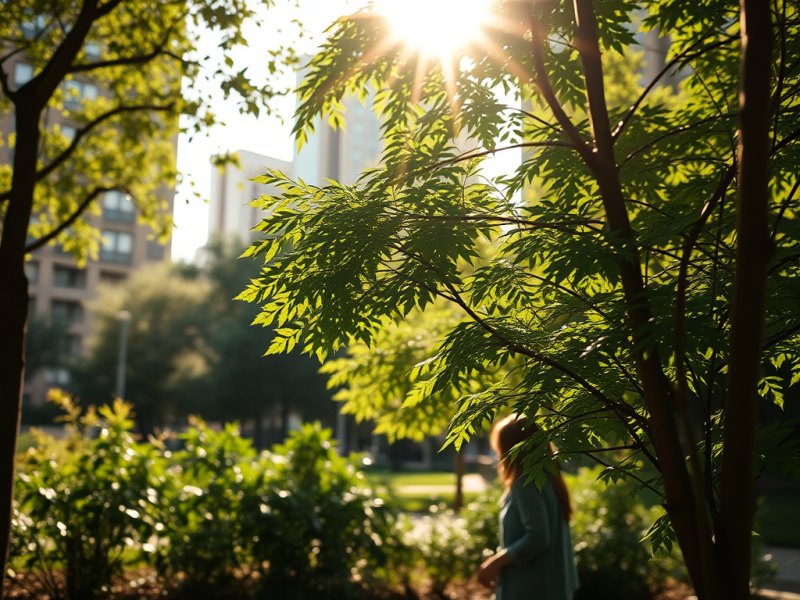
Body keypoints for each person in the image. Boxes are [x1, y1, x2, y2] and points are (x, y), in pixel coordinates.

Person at [477, 414, 579, 600]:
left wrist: (496, 562)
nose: (498, 456)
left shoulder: (526, 483)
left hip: (532, 588)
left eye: (500, 449)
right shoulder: (548, 477)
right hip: (552, 586)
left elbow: (538, 537)